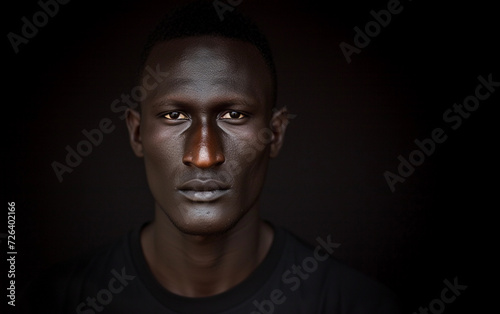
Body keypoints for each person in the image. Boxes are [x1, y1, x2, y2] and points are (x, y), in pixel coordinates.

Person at [20, 1, 400, 313]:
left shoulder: (357, 306)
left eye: (234, 115)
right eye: (174, 116)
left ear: (276, 134)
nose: (203, 156)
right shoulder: (58, 301)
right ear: (136, 133)